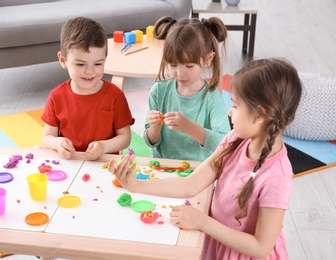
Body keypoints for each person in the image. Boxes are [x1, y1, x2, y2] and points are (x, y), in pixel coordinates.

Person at [109, 58, 302, 259]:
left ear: (260, 114)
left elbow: (261, 247)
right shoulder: (236, 139)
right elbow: (190, 185)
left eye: (235, 106)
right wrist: (135, 186)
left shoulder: (276, 177)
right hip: (217, 241)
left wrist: (202, 222)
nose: (229, 112)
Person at [42, 17, 134, 160]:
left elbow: (125, 137)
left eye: (98, 64)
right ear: (63, 60)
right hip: (69, 163)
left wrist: (103, 147)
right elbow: (47, 137)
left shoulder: (115, 96)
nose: (90, 71)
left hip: (103, 164)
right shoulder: (56, 96)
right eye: (80, 64)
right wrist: (57, 142)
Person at [143, 16, 231, 161]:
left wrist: (188, 127)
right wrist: (154, 127)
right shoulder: (158, 91)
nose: (179, 73)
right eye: (172, 65)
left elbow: (225, 144)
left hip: (198, 172)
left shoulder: (211, 97)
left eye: (189, 66)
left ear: (208, 59)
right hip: (163, 167)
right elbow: (150, 142)